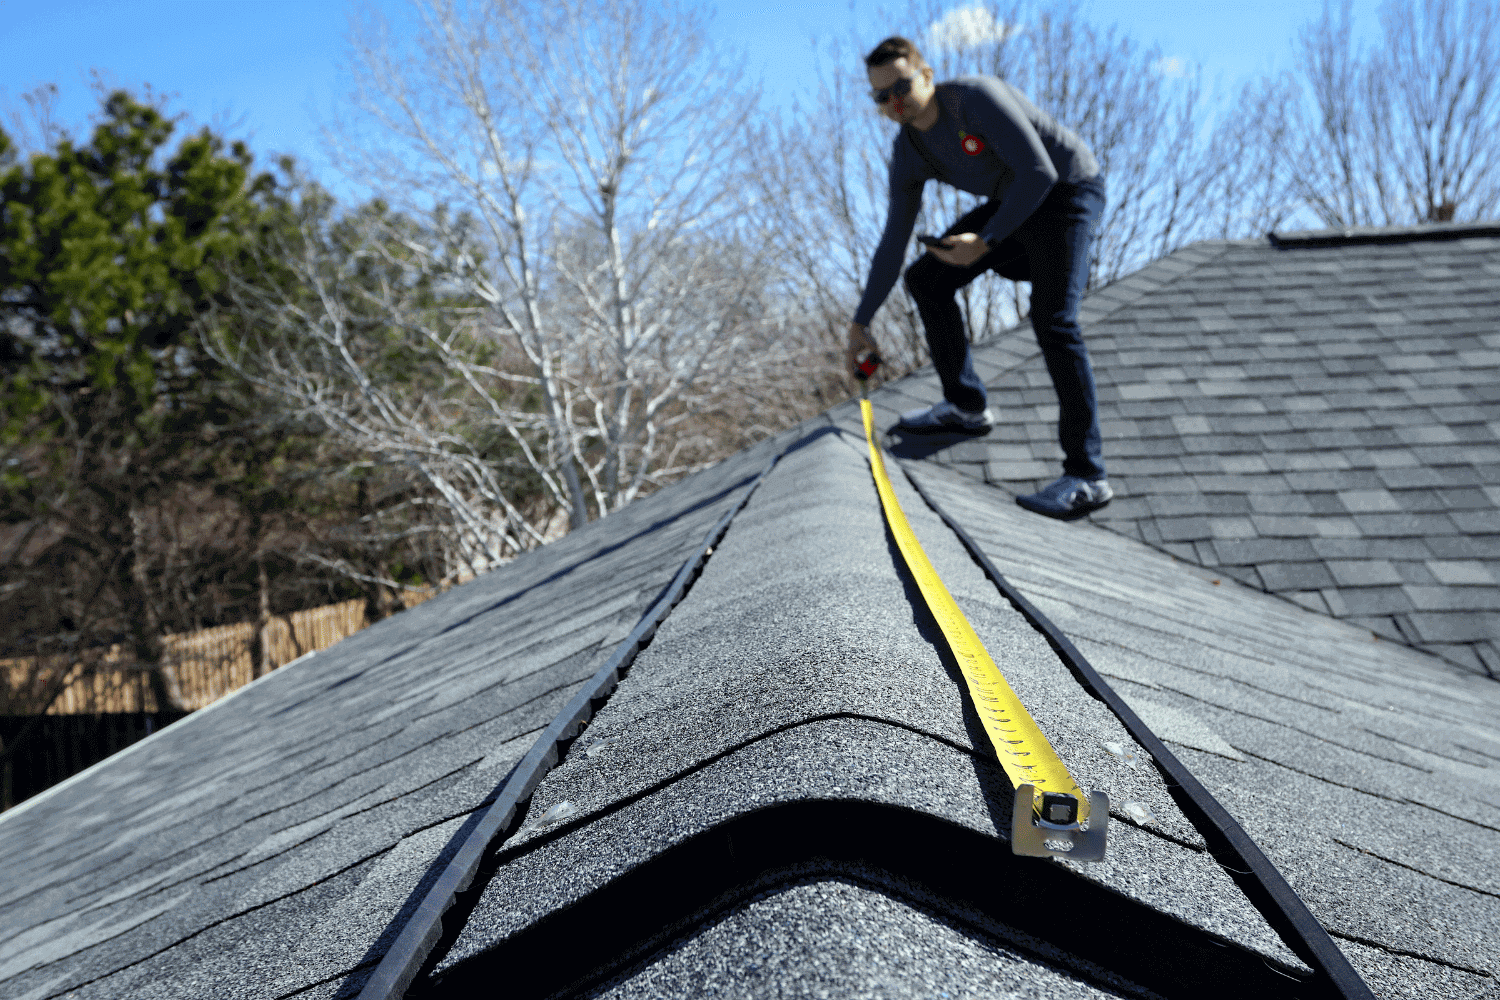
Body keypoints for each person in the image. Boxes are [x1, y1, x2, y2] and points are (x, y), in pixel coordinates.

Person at [846, 36, 1112, 520]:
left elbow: (1039, 173)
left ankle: (1087, 476)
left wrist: (985, 242)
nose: (894, 102)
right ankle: (965, 406)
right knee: (926, 278)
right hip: (1013, 203)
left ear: (927, 75)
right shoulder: (907, 150)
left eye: (901, 86)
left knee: (1054, 320)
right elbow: (893, 239)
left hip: (1067, 191)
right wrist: (861, 321)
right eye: (881, 96)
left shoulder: (974, 99)